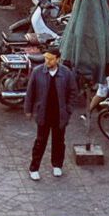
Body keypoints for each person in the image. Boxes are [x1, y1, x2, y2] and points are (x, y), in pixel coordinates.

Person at [24, 44, 76, 180]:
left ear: (58, 59)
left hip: (60, 114)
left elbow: (73, 92)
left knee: (59, 141)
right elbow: (30, 92)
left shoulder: (66, 73)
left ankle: (57, 165)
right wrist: (28, 110)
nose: (47, 62)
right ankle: (34, 168)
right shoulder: (37, 72)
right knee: (40, 141)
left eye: (51, 59)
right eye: (46, 58)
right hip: (43, 113)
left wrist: (68, 109)